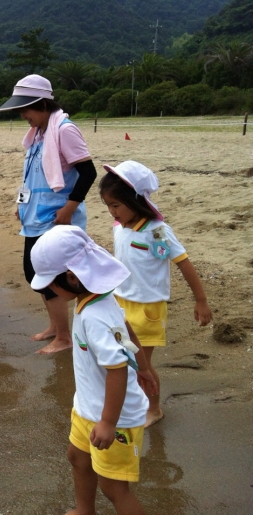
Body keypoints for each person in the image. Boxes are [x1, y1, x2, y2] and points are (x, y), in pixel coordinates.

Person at [30, 225, 157, 515]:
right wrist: (145, 367)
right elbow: (124, 328)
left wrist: (108, 422)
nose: (49, 290)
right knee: (77, 457)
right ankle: (84, 510)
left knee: (114, 488)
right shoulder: (98, 298)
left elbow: (117, 369)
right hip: (88, 406)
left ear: (73, 278)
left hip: (115, 416)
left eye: (51, 284)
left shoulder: (94, 316)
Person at [99, 160, 212, 428]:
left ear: (136, 201)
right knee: (120, 359)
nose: (112, 212)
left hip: (148, 309)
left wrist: (201, 300)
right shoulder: (119, 227)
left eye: (116, 205)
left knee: (141, 365)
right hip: (119, 303)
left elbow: (183, 262)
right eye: (108, 206)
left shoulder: (156, 231)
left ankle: (155, 408)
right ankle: (128, 402)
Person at [0, 74, 98, 354]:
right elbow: (29, 177)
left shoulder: (64, 130)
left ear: (41, 104)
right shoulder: (39, 133)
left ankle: (64, 337)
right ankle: (56, 326)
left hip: (56, 217)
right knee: (35, 272)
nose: (22, 115)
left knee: (48, 274)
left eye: (25, 109)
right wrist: (20, 203)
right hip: (35, 216)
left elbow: (88, 172)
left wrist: (70, 208)